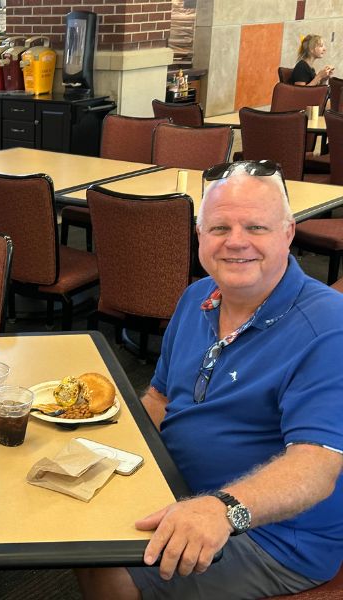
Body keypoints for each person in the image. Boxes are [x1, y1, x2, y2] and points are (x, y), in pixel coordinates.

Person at [75, 160, 343, 599]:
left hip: (272, 535)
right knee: (74, 528)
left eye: (256, 228)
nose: (236, 242)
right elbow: (161, 395)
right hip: (177, 486)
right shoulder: (198, 295)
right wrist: (113, 453)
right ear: (200, 236)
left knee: (107, 569)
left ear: (288, 232)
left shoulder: (328, 327)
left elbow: (314, 469)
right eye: (219, 228)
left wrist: (224, 510)